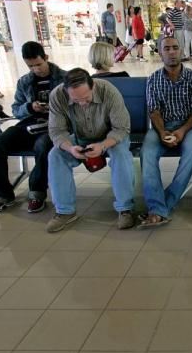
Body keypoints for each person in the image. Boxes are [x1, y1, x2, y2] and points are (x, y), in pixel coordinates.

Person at [0, 41, 66, 216]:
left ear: (46, 58)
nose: (36, 69)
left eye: (38, 64)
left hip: (53, 126)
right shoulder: (25, 82)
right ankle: (2, 195)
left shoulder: (64, 78)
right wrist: (29, 107)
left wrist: (55, 108)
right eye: (31, 66)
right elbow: (15, 110)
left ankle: (36, 192)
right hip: (28, 124)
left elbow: (76, 106)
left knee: (42, 146)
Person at [46, 68, 134, 233]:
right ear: (66, 91)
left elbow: (121, 129)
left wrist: (103, 145)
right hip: (80, 137)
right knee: (56, 155)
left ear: (93, 87)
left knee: (121, 155)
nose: (82, 103)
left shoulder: (108, 91)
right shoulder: (57, 96)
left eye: (85, 98)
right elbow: (57, 131)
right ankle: (65, 212)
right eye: (76, 100)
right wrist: (70, 148)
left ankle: (125, 209)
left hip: (110, 136)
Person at [139, 37, 192, 228]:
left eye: (175, 48)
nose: (172, 52)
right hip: (162, 125)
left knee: (191, 154)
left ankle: (162, 206)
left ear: (181, 51)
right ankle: (159, 207)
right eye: (167, 48)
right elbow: (154, 111)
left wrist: (181, 132)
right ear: (160, 53)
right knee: (147, 153)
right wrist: (162, 133)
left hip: (189, 126)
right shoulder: (153, 79)